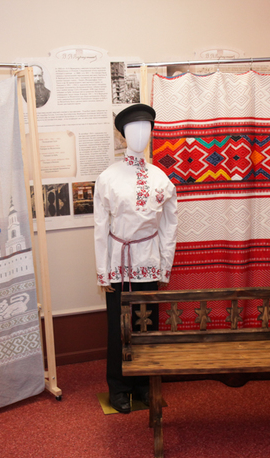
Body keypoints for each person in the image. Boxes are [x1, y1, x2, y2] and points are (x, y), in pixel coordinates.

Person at [94, 104, 178, 413]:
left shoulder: (161, 178)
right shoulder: (108, 178)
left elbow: (169, 226)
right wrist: (103, 270)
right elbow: (100, 227)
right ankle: (118, 386)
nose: (141, 135)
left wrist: (165, 266)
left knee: (147, 325)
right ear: (123, 134)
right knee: (118, 327)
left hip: (148, 261)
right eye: (134, 129)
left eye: (147, 128)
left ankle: (144, 383)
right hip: (118, 261)